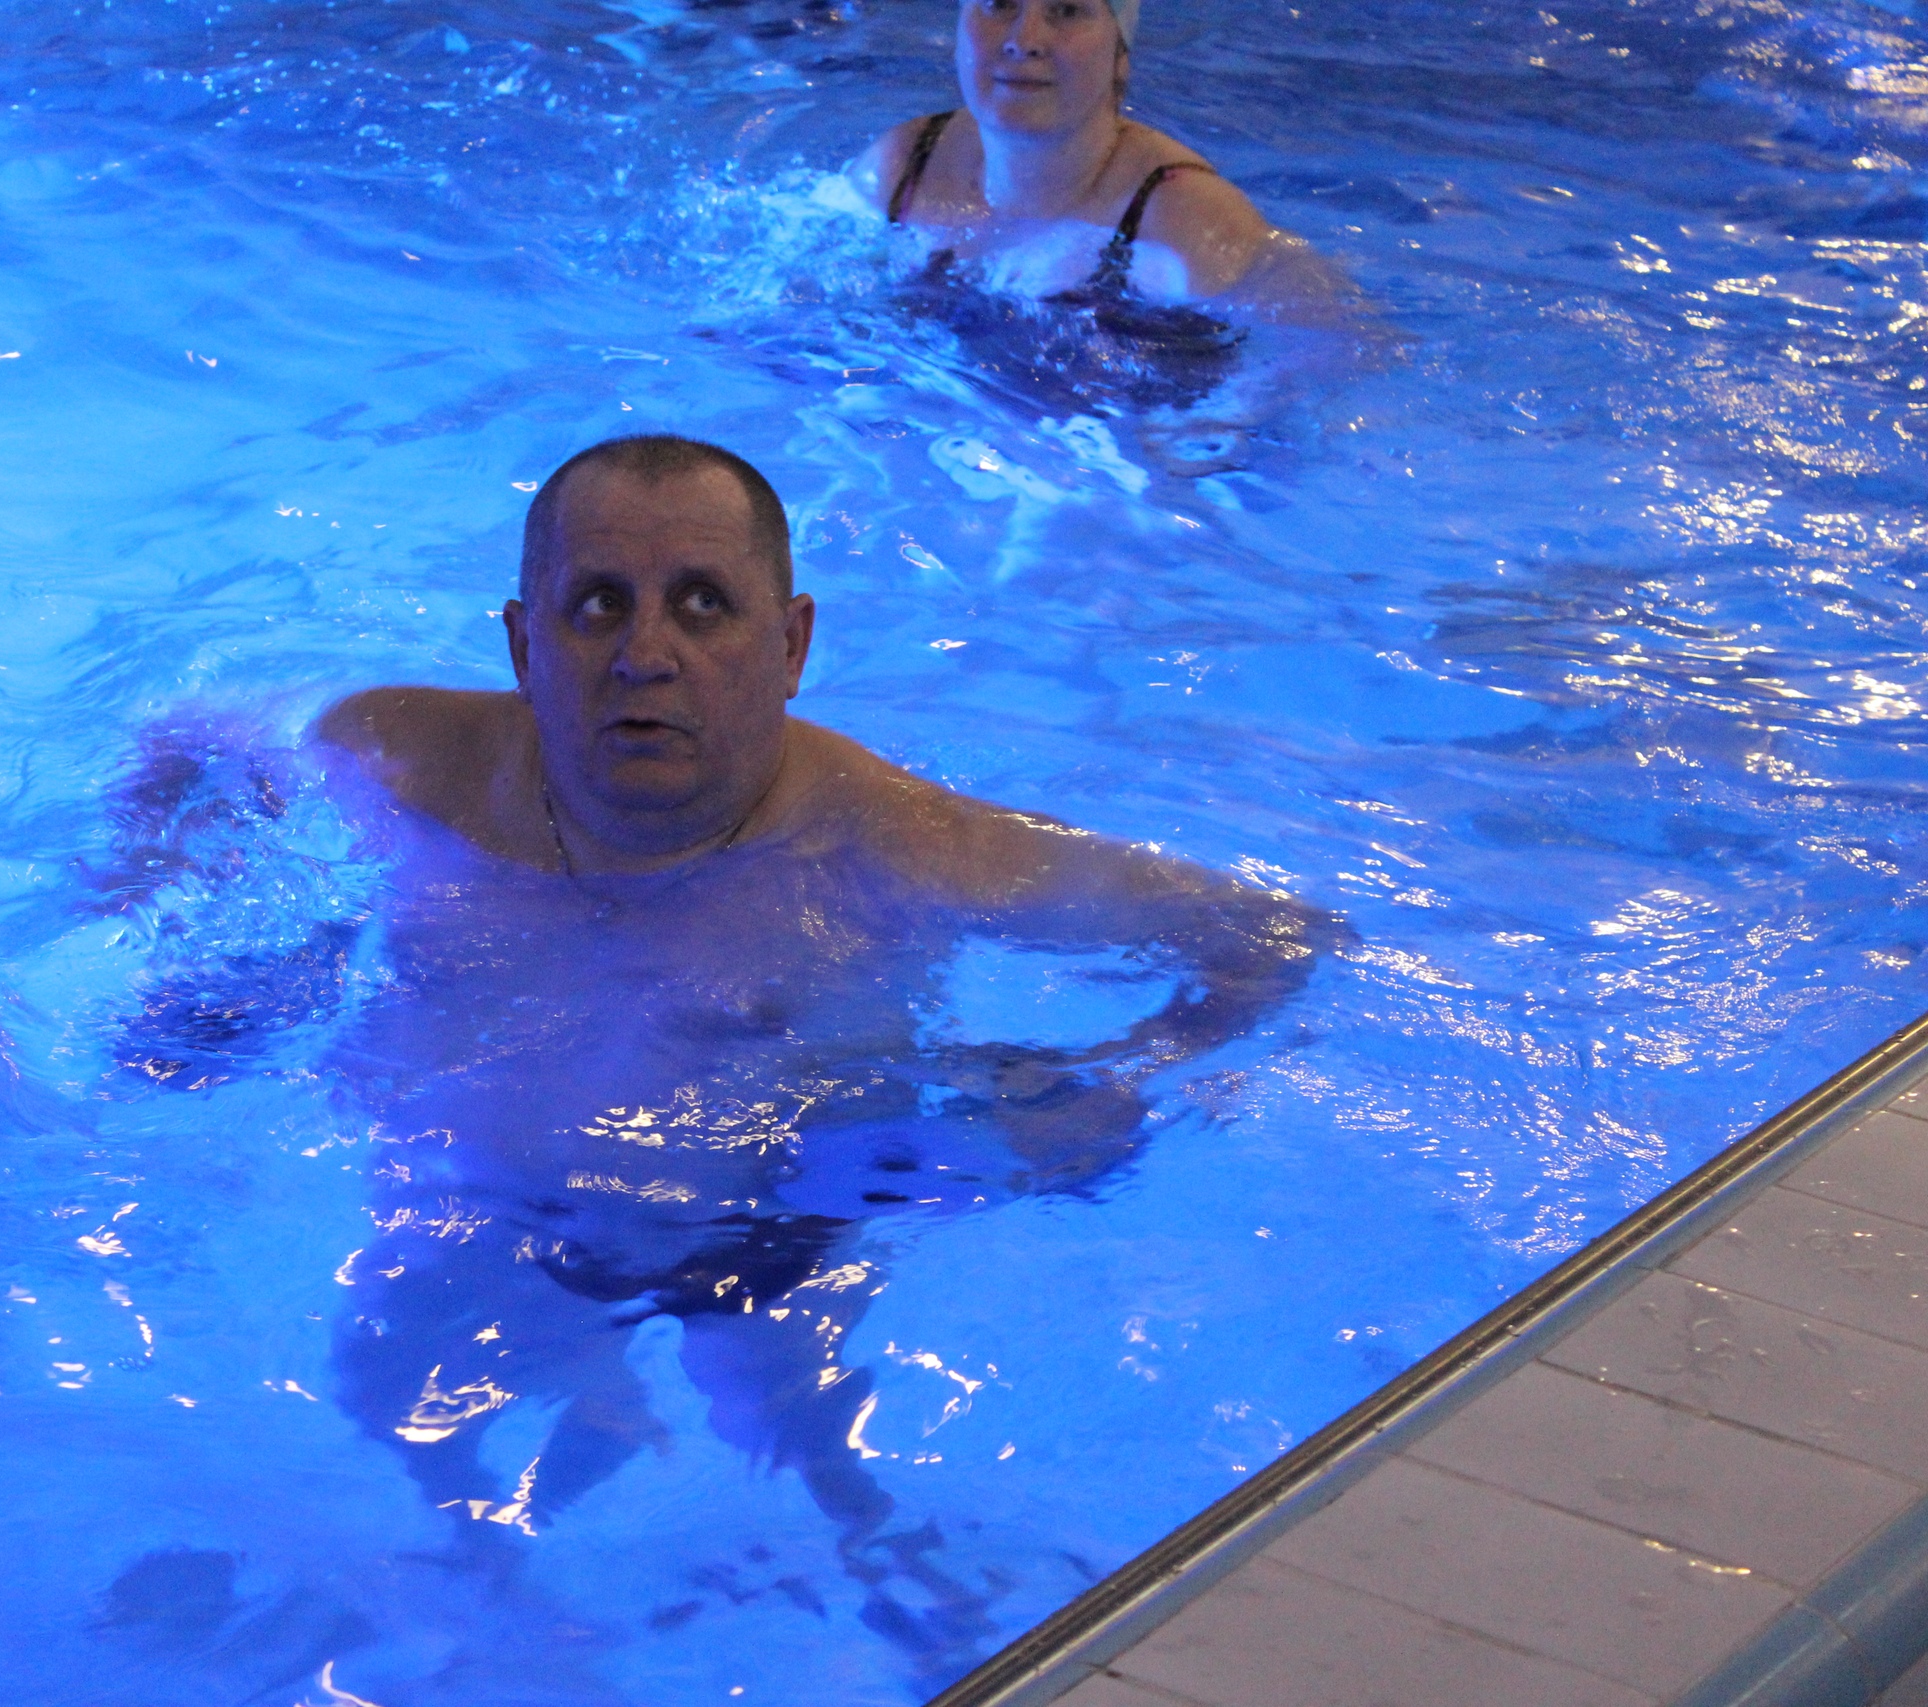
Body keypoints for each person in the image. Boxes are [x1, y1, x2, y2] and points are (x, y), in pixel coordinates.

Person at [121, 434, 1332, 1680]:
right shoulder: (410, 763)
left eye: (703, 604)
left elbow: (1277, 937)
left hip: (761, 1226)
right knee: (378, 1386)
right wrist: (170, 904)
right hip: (478, 1211)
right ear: (524, 644)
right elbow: (181, 737)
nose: (645, 653)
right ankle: (496, 1592)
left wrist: (1126, 1074)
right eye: (598, 605)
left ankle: (881, 1559)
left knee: (793, 1424)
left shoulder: (898, 849)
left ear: (791, 644)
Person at [848, 0, 1275, 305]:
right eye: (999, 4)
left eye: (1066, 10)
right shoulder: (900, 170)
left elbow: (1298, 373)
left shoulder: (1186, 221)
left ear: (1120, 55)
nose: (1024, 40)